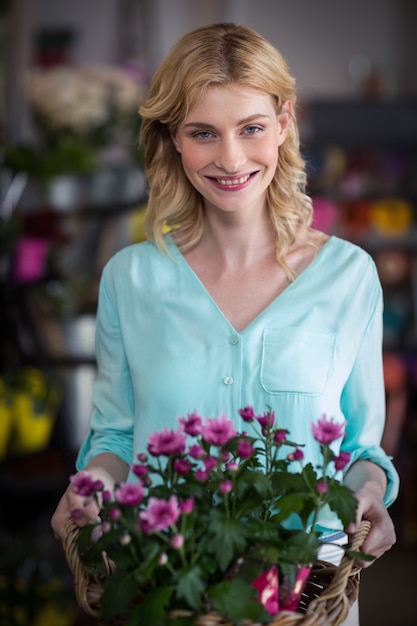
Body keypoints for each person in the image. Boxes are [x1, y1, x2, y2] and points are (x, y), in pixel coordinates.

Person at [51, 23, 399, 625]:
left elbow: (360, 449)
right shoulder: (129, 280)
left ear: (284, 123)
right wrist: (92, 485)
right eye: (203, 133)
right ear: (172, 139)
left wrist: (369, 491)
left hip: (308, 595)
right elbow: (115, 438)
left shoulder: (349, 276)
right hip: (168, 590)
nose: (231, 159)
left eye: (251, 128)